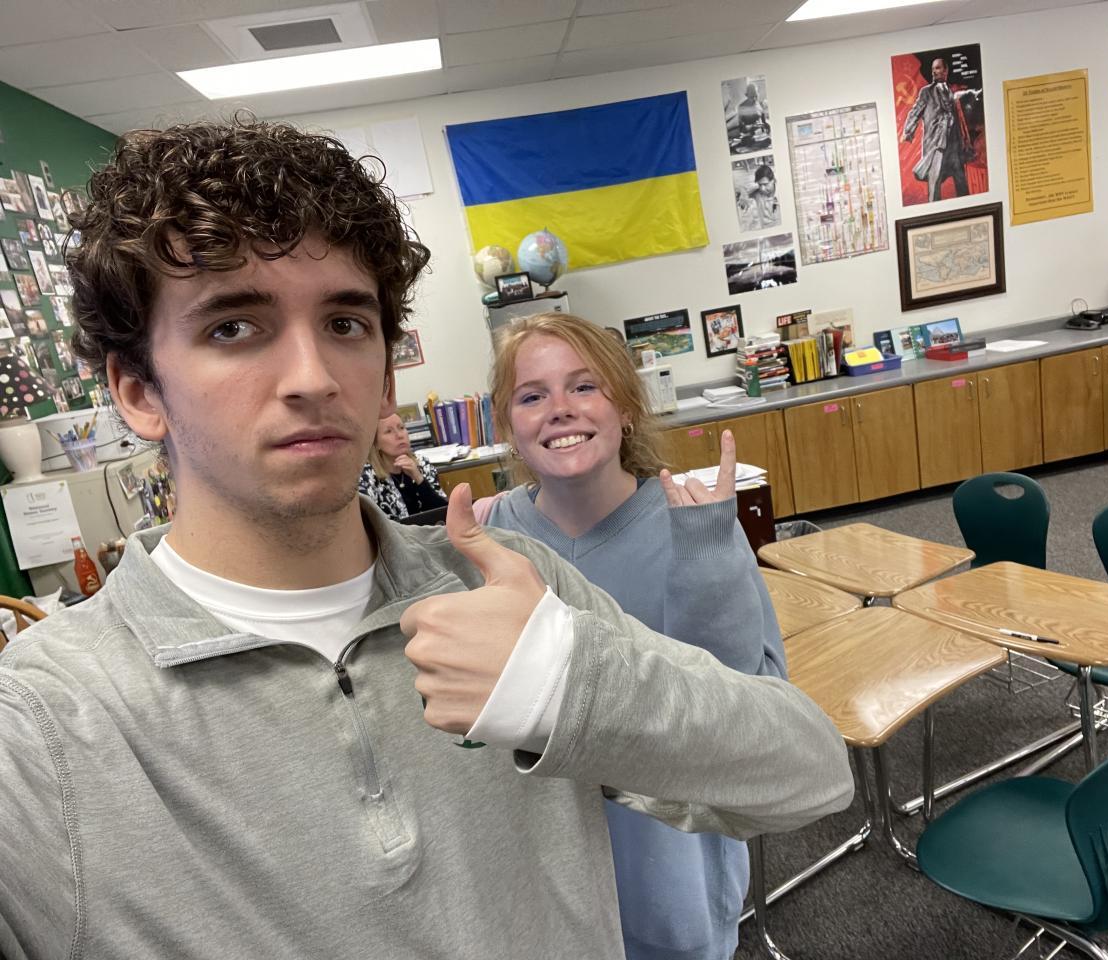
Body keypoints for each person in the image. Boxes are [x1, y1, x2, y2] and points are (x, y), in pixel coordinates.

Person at [0, 118, 854, 959]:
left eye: (345, 324)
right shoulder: (41, 726)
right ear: (138, 391)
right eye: (233, 327)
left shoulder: (510, 585)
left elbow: (808, 775)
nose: (312, 378)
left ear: (384, 378)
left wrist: (570, 686)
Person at [478, 313, 783, 960]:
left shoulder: (694, 526)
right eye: (532, 396)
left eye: (584, 386)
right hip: (545, 886)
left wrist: (708, 562)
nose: (559, 409)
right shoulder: (491, 539)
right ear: (507, 426)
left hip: (671, 878)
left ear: (626, 408)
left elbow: (754, 710)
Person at [901, 57, 976, 202]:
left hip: (954, 145)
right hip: (936, 145)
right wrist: (908, 131)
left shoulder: (952, 92)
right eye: (933, 69)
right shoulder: (926, 92)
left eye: (938, 68)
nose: (934, 72)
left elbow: (959, 116)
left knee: (961, 180)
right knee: (934, 182)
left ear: (946, 71)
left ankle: (967, 206)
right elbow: (915, 111)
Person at [358, 411, 448, 519]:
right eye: (389, 431)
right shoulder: (367, 477)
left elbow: (444, 513)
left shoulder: (422, 464)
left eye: (401, 428)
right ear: (376, 443)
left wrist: (419, 479)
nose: (399, 435)